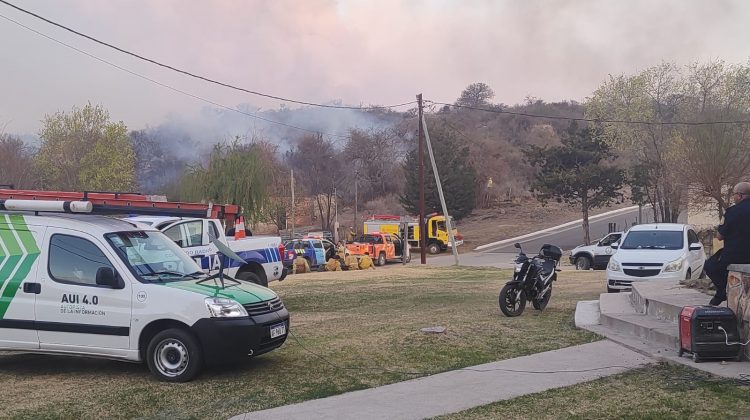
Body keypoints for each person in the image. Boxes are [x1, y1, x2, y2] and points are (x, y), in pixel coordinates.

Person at [705, 182, 750, 306]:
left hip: (735, 254)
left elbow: (720, 236)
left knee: (710, 266)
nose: (734, 198)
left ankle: (721, 292)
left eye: (734, 195)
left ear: (740, 196)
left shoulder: (732, 212)